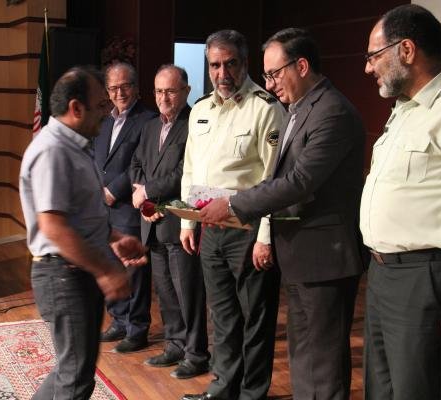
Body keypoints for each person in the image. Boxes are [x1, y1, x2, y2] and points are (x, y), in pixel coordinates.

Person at [200, 28, 367, 400]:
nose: (270, 84)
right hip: (302, 256)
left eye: (274, 74)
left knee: (322, 364)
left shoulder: (332, 111)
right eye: (267, 76)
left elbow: (299, 181)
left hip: (325, 259)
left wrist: (233, 204)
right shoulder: (301, 107)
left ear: (301, 66)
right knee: (303, 358)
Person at [19, 66, 147, 400]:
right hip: (63, 274)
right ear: (76, 108)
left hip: (75, 271)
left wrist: (113, 238)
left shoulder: (76, 146)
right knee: (75, 379)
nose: (107, 111)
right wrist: (106, 271)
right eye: (101, 105)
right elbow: (53, 226)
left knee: (74, 370)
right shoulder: (52, 150)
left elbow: (78, 213)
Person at [180, 30, 285, 400]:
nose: (222, 73)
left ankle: (252, 393)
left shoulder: (266, 108)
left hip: (248, 230)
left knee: (255, 317)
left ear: (245, 63)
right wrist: (188, 221)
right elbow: (190, 169)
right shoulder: (200, 110)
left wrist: (265, 238)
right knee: (222, 315)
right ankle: (223, 388)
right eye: (214, 65)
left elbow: (274, 180)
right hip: (210, 228)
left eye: (230, 64)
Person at [361, 5, 441, 399]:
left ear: (407, 50)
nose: (368, 67)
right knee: (380, 389)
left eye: (374, 55)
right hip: (382, 274)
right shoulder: (403, 110)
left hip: (424, 278)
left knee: (418, 389)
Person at [130, 64, 210, 379]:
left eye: (171, 91)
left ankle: (196, 353)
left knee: (188, 293)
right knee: (165, 292)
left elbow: (185, 173)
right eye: (159, 91)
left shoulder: (196, 125)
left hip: (180, 223)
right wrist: (143, 197)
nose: (163, 97)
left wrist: (150, 193)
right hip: (152, 222)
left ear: (186, 91)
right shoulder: (151, 126)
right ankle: (175, 345)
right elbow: (136, 163)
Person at [94, 62, 157, 353]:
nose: (119, 93)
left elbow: (141, 164)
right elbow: (98, 160)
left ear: (135, 87)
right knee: (111, 266)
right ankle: (119, 320)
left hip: (129, 206)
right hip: (103, 209)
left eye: (125, 86)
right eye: (113, 88)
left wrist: (112, 190)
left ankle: (137, 328)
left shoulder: (148, 120)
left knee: (134, 273)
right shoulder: (104, 120)